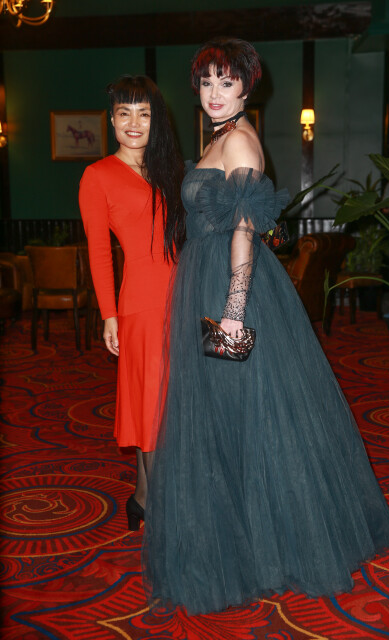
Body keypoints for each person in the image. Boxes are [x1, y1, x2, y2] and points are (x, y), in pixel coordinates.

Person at [143, 38, 389, 615]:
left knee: (247, 410)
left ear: (246, 87)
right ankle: (242, 536)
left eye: (226, 81)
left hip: (230, 289)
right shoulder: (219, 137)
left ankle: (269, 545)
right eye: (206, 82)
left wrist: (234, 310)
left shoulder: (240, 140)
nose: (214, 92)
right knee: (223, 411)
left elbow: (244, 232)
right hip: (205, 282)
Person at [79, 75, 185, 531]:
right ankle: (162, 510)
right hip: (140, 305)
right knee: (152, 404)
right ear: (112, 120)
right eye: (125, 113)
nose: (135, 122)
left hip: (184, 295)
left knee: (166, 402)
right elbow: (99, 253)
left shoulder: (170, 170)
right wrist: (109, 315)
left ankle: (142, 497)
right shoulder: (98, 175)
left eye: (144, 113)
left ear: (156, 120)